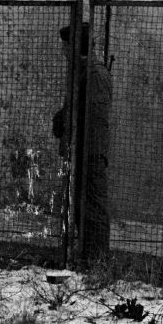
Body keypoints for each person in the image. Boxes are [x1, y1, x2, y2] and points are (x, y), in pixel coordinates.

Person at [54, 22, 113, 259]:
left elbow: (94, 120)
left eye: (66, 46)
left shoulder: (95, 74)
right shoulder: (81, 72)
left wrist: (68, 122)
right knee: (79, 207)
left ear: (75, 47)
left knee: (93, 209)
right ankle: (85, 257)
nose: (63, 51)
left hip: (89, 153)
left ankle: (96, 262)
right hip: (78, 152)